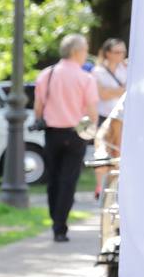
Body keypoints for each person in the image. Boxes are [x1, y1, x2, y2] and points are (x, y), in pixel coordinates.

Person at [34, 34, 99, 243]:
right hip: (76, 133)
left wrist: (39, 119)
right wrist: (89, 131)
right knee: (68, 181)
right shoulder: (85, 78)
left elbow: (38, 106)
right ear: (76, 52)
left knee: (53, 179)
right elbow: (92, 112)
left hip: (52, 132)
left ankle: (55, 220)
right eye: (85, 50)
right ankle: (60, 226)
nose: (86, 54)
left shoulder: (47, 74)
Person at [92, 38, 128, 197]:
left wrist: (112, 91)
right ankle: (100, 187)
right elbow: (102, 95)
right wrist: (120, 90)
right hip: (104, 117)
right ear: (108, 53)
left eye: (123, 52)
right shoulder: (97, 72)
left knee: (119, 155)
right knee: (102, 152)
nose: (121, 55)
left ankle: (117, 188)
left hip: (122, 119)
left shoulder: (126, 69)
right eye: (117, 52)